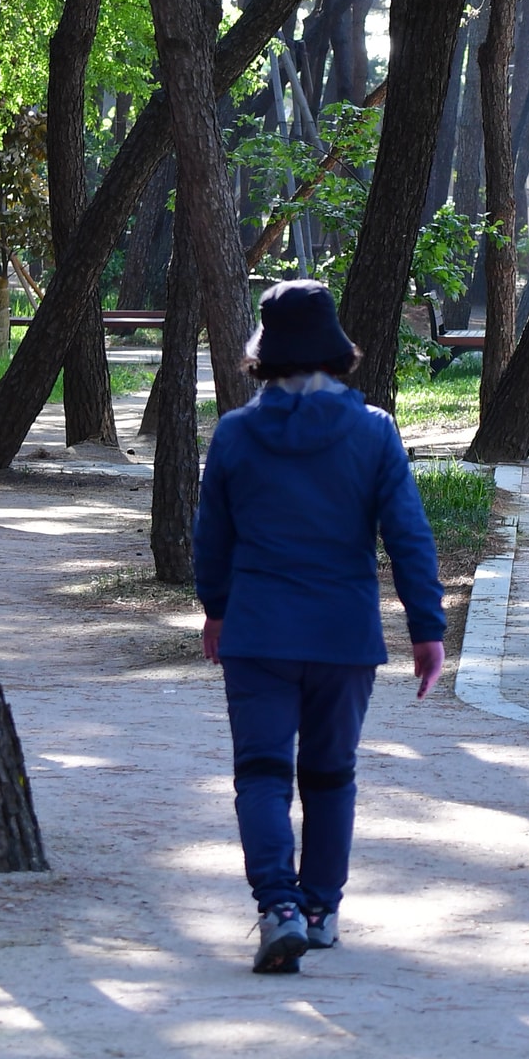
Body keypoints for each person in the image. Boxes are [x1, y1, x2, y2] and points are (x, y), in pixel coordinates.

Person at [194, 279, 446, 974]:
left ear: (264, 355)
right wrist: (428, 629)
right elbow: (409, 537)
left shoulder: (237, 433)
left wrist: (214, 608)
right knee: (331, 777)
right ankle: (320, 910)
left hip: (258, 632)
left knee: (263, 774)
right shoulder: (374, 432)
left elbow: (210, 536)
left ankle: (276, 906)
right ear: (336, 350)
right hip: (343, 636)